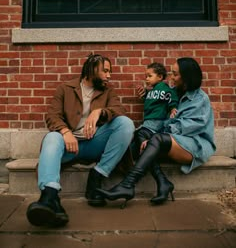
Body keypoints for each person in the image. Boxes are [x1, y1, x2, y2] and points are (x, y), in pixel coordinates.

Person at [26, 54, 135, 227]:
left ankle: (97, 176)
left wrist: (99, 112)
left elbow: (118, 109)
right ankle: (49, 197)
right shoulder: (65, 88)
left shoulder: (108, 90)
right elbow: (52, 115)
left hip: (93, 143)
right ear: (92, 69)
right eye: (105, 71)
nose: (109, 75)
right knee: (52, 137)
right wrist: (65, 131)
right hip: (68, 147)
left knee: (125, 123)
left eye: (110, 72)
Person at [97, 57, 216, 207]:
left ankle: (128, 185)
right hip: (171, 140)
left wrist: (155, 135)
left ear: (186, 77)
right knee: (140, 137)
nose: (171, 77)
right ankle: (162, 182)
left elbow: (187, 127)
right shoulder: (172, 92)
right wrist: (147, 95)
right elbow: (159, 112)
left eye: (175, 74)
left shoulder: (200, 98)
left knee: (156, 138)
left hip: (194, 144)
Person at [134, 62, 178, 155]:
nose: (147, 79)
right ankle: (154, 167)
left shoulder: (163, 88)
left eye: (150, 76)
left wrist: (173, 107)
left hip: (156, 121)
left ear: (160, 77)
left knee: (139, 134)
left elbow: (170, 95)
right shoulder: (152, 90)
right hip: (149, 122)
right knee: (141, 144)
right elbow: (153, 99)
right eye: (146, 76)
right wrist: (144, 93)